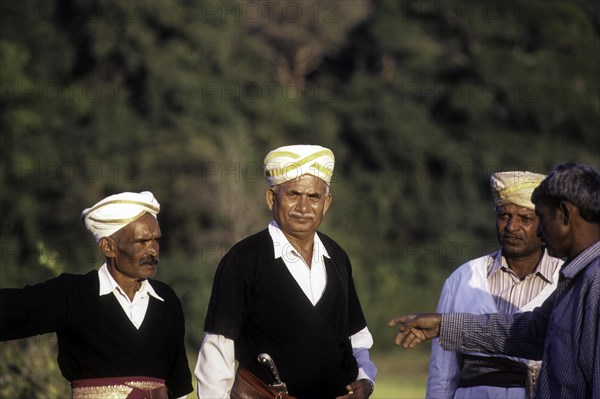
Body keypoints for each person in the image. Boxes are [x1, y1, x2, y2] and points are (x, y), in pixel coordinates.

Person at [389, 162, 600, 399]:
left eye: (538, 218)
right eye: (504, 216)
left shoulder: (595, 280)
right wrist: (443, 325)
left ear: (564, 213)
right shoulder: (574, 278)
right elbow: (532, 333)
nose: (539, 231)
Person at [195, 144, 377, 399]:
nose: (303, 207)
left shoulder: (337, 256)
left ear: (326, 203)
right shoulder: (244, 259)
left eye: (313, 197)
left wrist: (365, 378)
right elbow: (217, 348)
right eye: (293, 194)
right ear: (271, 197)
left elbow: (356, 337)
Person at [0, 191, 193, 399]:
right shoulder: (73, 294)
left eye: (156, 240)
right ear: (108, 247)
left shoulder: (167, 300)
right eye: (142, 241)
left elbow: (178, 384)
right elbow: (11, 311)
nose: (153, 250)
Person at [426, 170, 563, 399]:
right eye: (504, 216)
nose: (511, 227)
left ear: (544, 224)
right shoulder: (463, 278)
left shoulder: (565, 280)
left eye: (525, 219)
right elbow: (443, 370)